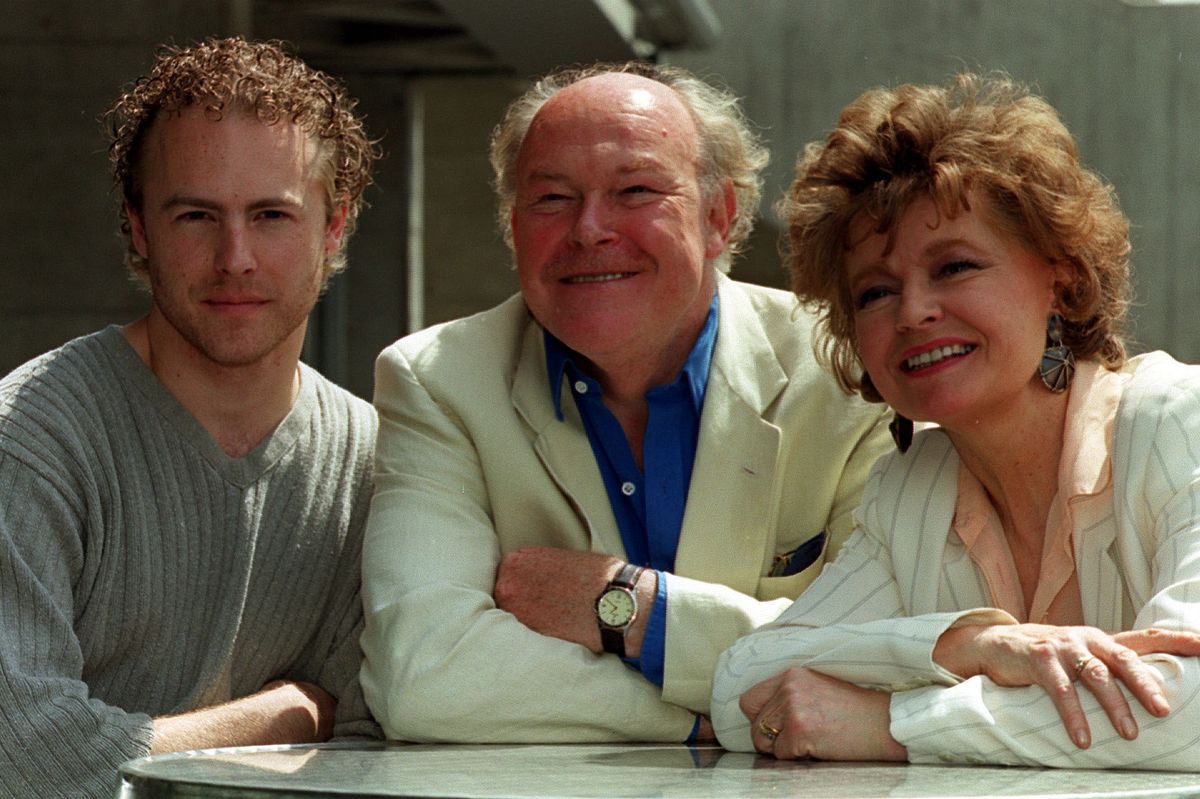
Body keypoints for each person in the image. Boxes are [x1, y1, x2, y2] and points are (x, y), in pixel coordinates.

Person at [359, 61, 891, 744]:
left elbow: (894, 651)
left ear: (719, 216)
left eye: (635, 190)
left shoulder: (849, 368)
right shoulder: (437, 382)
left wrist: (632, 610)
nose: (589, 229)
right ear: (514, 226)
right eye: (551, 198)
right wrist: (703, 720)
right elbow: (421, 676)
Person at [710, 72, 1200, 769]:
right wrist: (968, 645)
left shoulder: (1180, 423)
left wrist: (893, 724)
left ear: (1060, 279)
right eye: (875, 292)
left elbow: (1189, 712)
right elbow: (740, 689)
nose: (912, 312)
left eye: (955, 267)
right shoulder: (910, 490)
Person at [0, 37, 381, 796]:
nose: (235, 257)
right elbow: (24, 759)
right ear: (141, 228)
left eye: (271, 214)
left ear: (333, 228)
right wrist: (290, 714)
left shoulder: (372, 462)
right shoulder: (31, 440)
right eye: (197, 215)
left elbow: (382, 745)